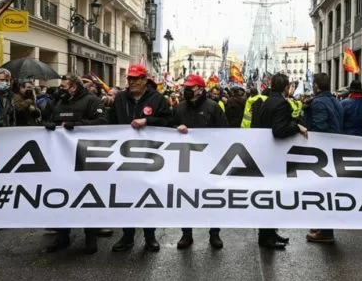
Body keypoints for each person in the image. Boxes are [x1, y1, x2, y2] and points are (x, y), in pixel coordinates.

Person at [109, 64, 172, 253]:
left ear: (145, 80)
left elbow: (168, 121)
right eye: (130, 79)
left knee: (147, 198)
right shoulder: (120, 98)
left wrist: (147, 121)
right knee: (126, 197)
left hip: (148, 157)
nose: (132, 82)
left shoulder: (157, 99)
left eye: (136, 78)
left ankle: (150, 236)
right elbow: (110, 122)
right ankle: (127, 236)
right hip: (124, 157)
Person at [44, 74, 108, 254]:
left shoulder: (92, 101)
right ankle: (63, 235)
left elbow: (102, 123)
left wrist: (78, 125)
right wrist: (49, 125)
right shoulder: (58, 102)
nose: (61, 89)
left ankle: (90, 236)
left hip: (85, 157)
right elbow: (49, 120)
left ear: (73, 87)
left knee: (86, 196)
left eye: (64, 86)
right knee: (62, 196)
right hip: (62, 158)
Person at [252, 73, 308, 249]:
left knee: (269, 195)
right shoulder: (282, 103)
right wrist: (296, 126)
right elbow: (279, 129)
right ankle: (266, 237)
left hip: (265, 154)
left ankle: (269, 232)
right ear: (286, 87)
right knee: (272, 195)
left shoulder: (265, 101)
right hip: (274, 155)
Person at [173, 74, 229, 249]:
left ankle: (214, 234)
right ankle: (186, 234)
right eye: (186, 87)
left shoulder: (213, 107)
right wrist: (176, 130)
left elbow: (224, 132)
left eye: (191, 87)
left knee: (212, 199)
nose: (187, 90)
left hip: (209, 162)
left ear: (200, 89)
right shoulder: (179, 108)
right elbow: (167, 130)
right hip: (186, 162)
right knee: (186, 198)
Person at [304, 72, 343, 244]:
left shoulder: (319, 102)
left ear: (317, 86)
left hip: (323, 152)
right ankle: (322, 225)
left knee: (323, 191)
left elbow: (320, 128)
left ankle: (326, 231)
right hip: (334, 149)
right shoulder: (335, 100)